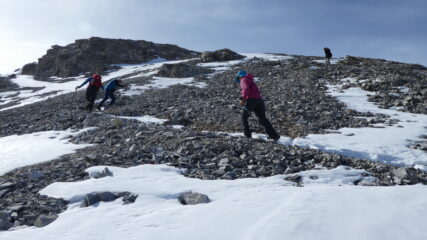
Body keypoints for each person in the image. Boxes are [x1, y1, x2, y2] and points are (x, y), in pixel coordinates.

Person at [234, 70, 280, 141]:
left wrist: (243, 99)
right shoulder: (250, 80)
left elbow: (245, 89)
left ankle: (247, 136)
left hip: (251, 100)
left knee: (243, 117)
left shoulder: (243, 79)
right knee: (263, 119)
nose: (239, 80)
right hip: (259, 100)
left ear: (239, 76)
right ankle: (274, 136)